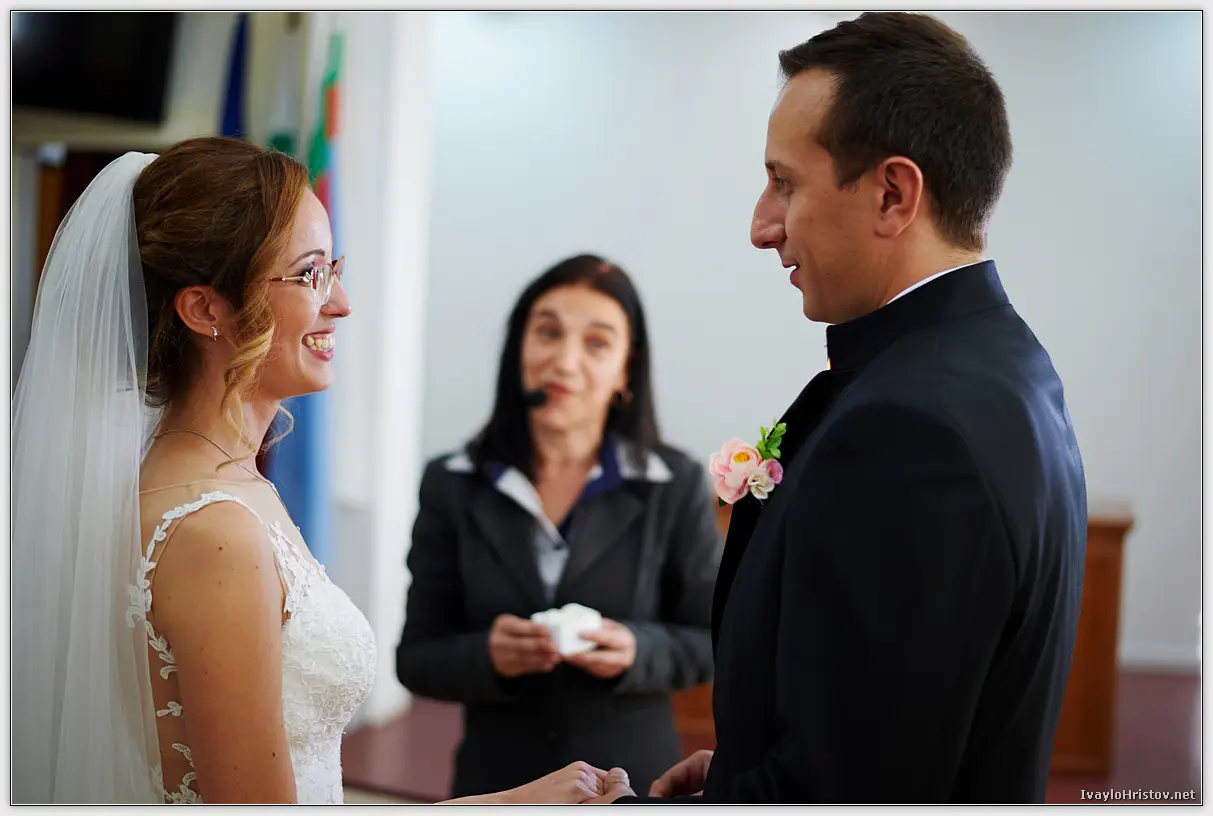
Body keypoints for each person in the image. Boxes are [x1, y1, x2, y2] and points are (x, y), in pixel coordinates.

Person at [9, 137, 631, 806]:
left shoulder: (223, 487)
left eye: (332, 267)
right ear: (205, 309)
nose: (341, 302)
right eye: (309, 274)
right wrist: (516, 804)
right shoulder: (212, 533)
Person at [632, 12, 1087, 804]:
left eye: (784, 182)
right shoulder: (1003, 362)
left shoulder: (909, 433)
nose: (760, 227)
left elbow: (843, 794)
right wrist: (740, 770)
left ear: (891, 194)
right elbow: (893, 728)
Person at [396, 254, 722, 798]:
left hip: (631, 784)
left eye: (596, 343)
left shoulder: (675, 483)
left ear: (626, 370)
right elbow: (416, 659)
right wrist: (488, 656)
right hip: (500, 788)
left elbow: (714, 643)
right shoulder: (454, 482)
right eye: (548, 333)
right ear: (518, 349)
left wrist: (637, 650)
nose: (565, 362)